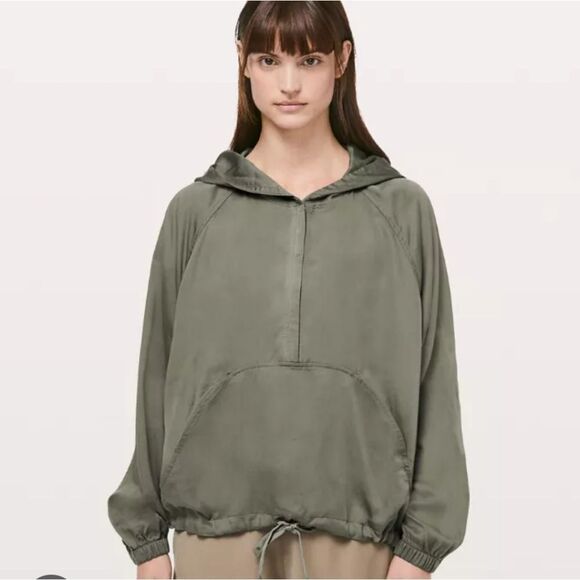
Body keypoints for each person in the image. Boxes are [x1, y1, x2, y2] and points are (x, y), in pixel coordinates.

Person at [107, 2, 470, 579]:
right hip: (214, 545)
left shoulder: (402, 210)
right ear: (243, 62)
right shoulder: (195, 212)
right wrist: (149, 550)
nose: (290, 83)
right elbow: (156, 380)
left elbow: (435, 382)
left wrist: (418, 557)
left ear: (342, 60)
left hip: (364, 553)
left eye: (310, 59)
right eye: (269, 60)